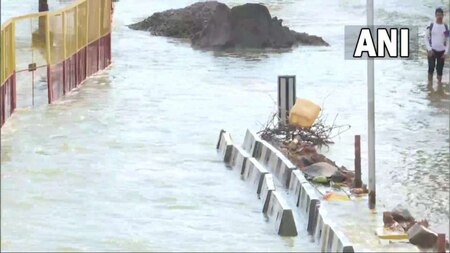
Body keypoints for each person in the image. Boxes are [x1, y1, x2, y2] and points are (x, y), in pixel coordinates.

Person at [425, 7, 449, 94]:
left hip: (441, 52)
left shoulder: (446, 27)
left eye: (440, 15)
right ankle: (429, 86)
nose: (439, 16)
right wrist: (429, 49)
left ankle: (439, 86)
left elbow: (448, 40)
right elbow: (426, 38)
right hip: (432, 51)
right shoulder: (431, 25)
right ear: (435, 15)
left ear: (443, 16)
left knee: (440, 70)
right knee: (430, 68)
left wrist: (446, 52)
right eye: (437, 15)